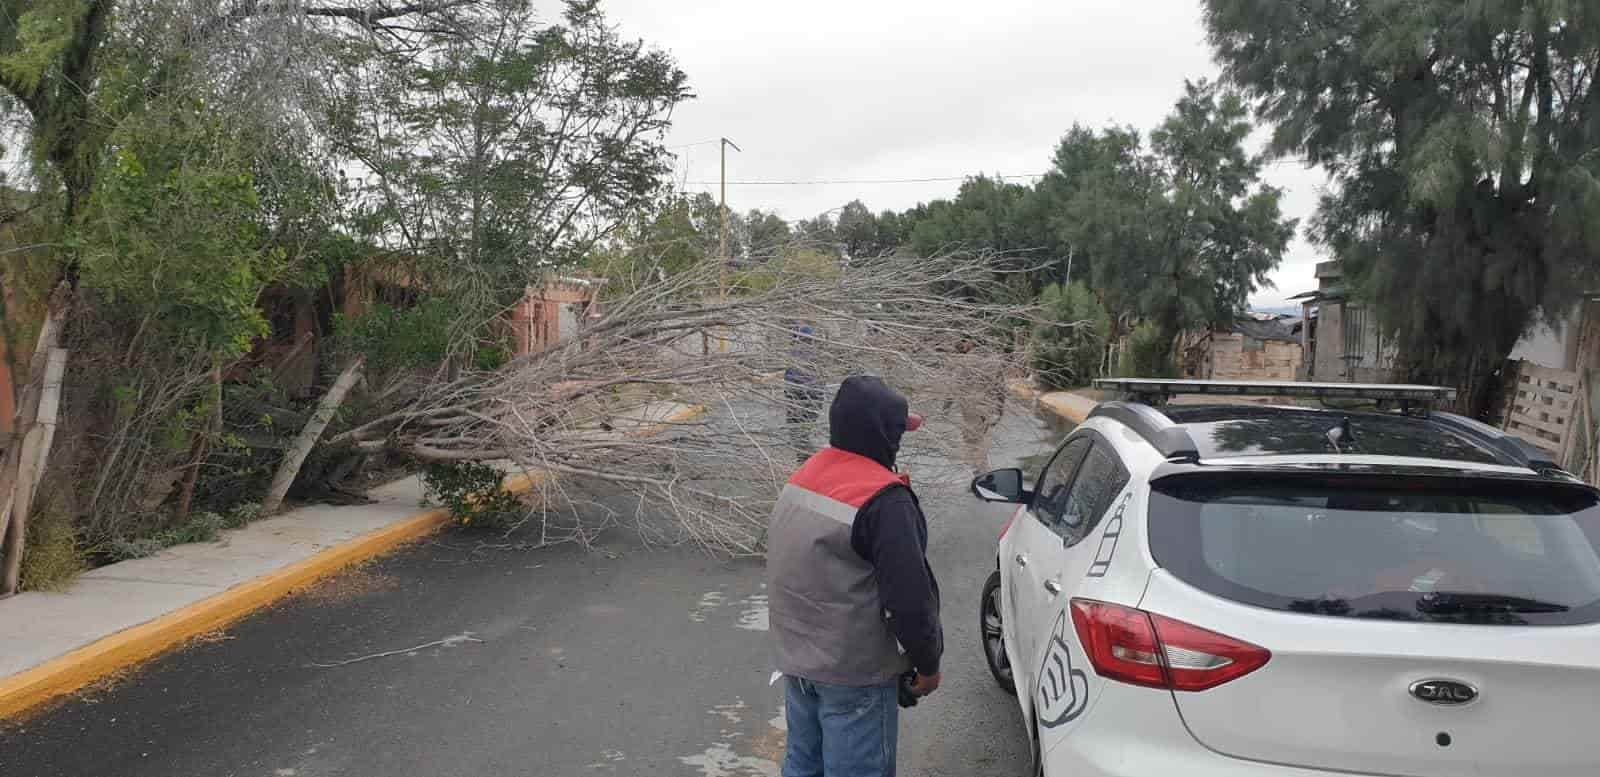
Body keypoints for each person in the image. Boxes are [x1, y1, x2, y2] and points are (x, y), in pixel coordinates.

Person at [767, 375, 943, 777]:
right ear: (883, 434)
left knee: (803, 764)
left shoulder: (806, 473)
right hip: (854, 673)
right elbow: (910, 601)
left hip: (798, 662)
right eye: (899, 430)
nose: (900, 440)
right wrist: (927, 663)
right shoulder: (884, 499)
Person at [783, 325, 825, 462]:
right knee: (804, 429)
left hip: (797, 395)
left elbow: (789, 377)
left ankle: (805, 459)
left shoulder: (794, 352)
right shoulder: (817, 354)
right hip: (813, 397)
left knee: (796, 430)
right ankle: (806, 458)